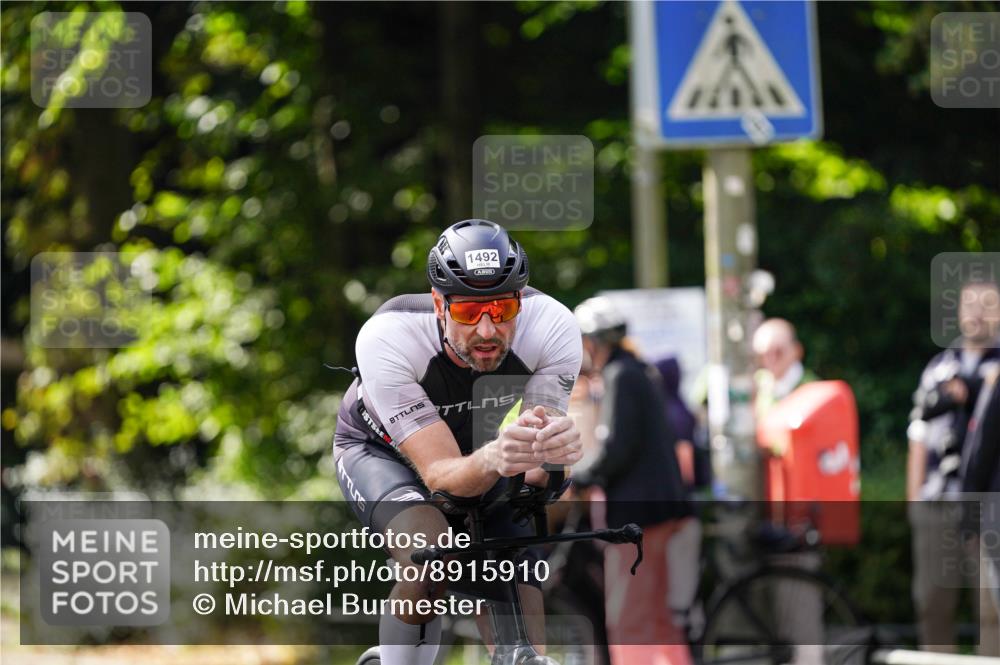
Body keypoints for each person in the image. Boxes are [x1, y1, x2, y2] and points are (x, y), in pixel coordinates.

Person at [332, 219, 584, 665]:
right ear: (438, 303)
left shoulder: (553, 327)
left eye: (502, 311)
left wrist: (554, 457)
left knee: (515, 555)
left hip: (478, 452)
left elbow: (536, 478)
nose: (487, 332)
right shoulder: (389, 336)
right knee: (433, 554)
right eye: (468, 313)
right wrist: (497, 457)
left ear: (520, 303)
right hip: (380, 450)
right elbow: (442, 478)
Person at [571, 296, 695, 665]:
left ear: (593, 341)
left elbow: (616, 448)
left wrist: (580, 477)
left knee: (628, 621)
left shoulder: (618, 376)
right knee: (659, 616)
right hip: (663, 510)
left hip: (634, 516)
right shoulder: (640, 370)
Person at [908, 278, 1000, 654]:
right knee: (931, 603)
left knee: (991, 608)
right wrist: (913, 499)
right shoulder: (938, 368)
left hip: (988, 504)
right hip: (937, 499)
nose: (977, 313)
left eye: (987, 304)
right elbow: (917, 434)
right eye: (969, 304)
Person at [751, 317, 818, 420]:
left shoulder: (813, 389)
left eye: (778, 352)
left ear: (797, 351)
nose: (771, 359)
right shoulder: (756, 384)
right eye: (764, 354)